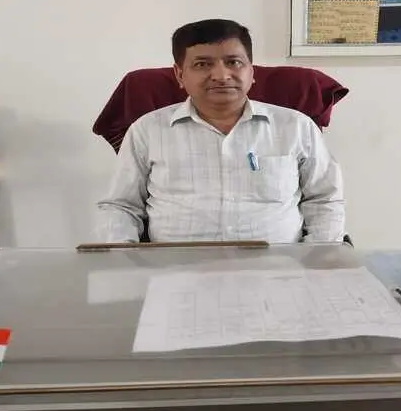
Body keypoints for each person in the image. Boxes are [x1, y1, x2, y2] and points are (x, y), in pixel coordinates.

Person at [96, 19, 345, 243]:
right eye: (202, 64)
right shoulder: (147, 130)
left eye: (233, 62)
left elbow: (324, 200)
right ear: (180, 75)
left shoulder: (296, 127)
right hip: (174, 269)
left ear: (251, 72)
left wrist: (314, 261)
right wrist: (124, 262)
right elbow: (121, 207)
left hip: (277, 269)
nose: (221, 75)